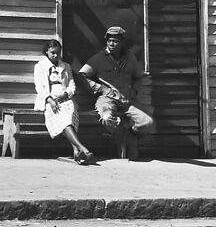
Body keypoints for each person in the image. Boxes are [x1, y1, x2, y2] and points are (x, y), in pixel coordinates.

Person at [78, 26, 154, 160]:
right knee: (107, 118)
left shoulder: (130, 57)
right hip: (107, 100)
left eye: (115, 41)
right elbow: (82, 74)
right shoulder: (99, 58)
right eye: (109, 40)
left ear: (122, 42)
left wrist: (134, 90)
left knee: (147, 123)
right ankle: (123, 137)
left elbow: (138, 76)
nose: (111, 43)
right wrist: (100, 88)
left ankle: (130, 135)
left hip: (126, 101)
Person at [34, 39, 95, 165]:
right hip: (49, 100)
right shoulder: (40, 66)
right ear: (46, 52)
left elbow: (72, 85)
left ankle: (76, 150)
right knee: (63, 118)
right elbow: (39, 87)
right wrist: (50, 100)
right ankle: (82, 148)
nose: (56, 56)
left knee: (70, 113)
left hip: (65, 98)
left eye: (58, 53)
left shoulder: (66, 66)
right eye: (52, 53)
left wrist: (65, 94)